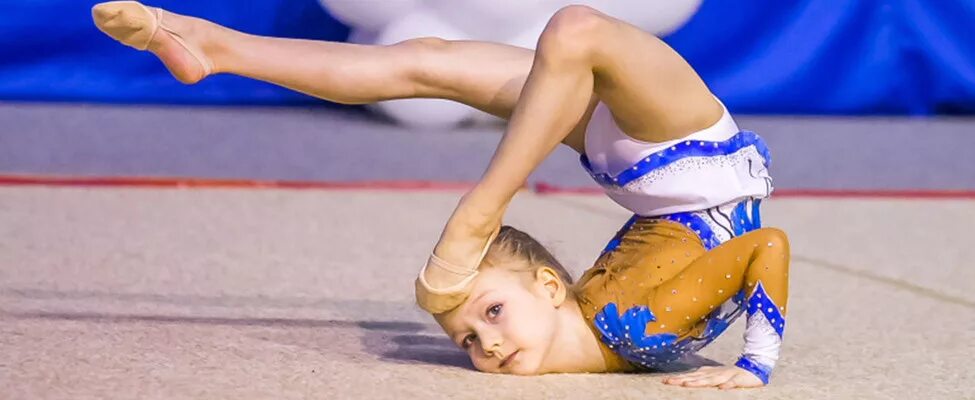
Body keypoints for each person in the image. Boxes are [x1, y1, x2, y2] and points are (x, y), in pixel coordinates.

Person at [91, 2, 786, 389]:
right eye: (490, 316)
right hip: (695, 148)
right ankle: (483, 205)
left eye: (470, 339)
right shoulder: (642, 331)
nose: (486, 343)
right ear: (548, 286)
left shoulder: (603, 328)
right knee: (576, 28)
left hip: (634, 172)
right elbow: (766, 244)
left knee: (428, 59)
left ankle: (215, 47)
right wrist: (754, 366)